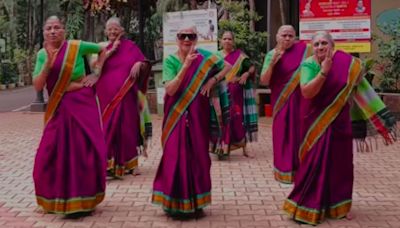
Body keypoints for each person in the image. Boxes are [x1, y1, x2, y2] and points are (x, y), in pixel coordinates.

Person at [283, 31, 396, 225]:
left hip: (340, 122)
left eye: (324, 43)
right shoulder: (309, 64)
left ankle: (339, 207)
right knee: (313, 164)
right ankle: (306, 206)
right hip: (314, 124)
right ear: (312, 47)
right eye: (316, 44)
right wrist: (324, 71)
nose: (320, 47)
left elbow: (358, 83)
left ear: (332, 45)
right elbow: (307, 92)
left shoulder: (347, 63)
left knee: (340, 166)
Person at [32, 16, 111, 215]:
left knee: (84, 148)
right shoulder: (42, 54)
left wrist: (96, 73)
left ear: (64, 31)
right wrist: (48, 65)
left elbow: (103, 49)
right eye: (48, 28)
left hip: (82, 103)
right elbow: (38, 85)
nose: (52, 31)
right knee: (49, 151)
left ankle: (84, 199)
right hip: (58, 106)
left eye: (56, 27)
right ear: (44, 33)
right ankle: (52, 198)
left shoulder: (76, 46)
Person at [151, 26, 232, 216]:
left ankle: (197, 203)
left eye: (191, 36)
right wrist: (186, 65)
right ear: (177, 38)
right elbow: (170, 89)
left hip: (198, 115)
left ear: (196, 39)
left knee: (199, 158)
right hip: (175, 117)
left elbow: (227, 66)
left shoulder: (204, 56)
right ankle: (172, 203)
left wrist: (213, 81)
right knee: (174, 157)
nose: (187, 39)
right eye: (182, 35)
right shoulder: (171, 60)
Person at [96, 17, 152, 179]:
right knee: (108, 128)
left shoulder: (131, 47)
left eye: (116, 29)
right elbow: (95, 69)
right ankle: (107, 163)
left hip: (127, 95)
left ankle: (132, 164)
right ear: (106, 32)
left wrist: (139, 64)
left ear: (122, 31)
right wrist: (109, 52)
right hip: (106, 95)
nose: (113, 31)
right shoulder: (100, 48)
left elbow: (145, 62)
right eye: (110, 29)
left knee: (128, 127)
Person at [260, 25, 312, 184]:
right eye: (284, 35)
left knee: (302, 133)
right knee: (283, 134)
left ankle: (304, 170)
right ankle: (284, 171)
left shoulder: (306, 50)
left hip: (303, 100)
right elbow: (264, 81)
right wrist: (272, 64)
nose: (287, 38)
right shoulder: (271, 55)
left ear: (295, 36)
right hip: (281, 102)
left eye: (291, 35)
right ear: (277, 37)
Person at [210, 31, 258, 159]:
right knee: (221, 119)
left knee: (238, 119)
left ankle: (245, 147)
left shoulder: (240, 56)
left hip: (236, 92)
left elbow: (252, 67)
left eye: (229, 39)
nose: (227, 41)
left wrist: (246, 74)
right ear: (221, 41)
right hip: (220, 92)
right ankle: (222, 147)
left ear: (233, 41)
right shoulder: (216, 56)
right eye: (225, 38)